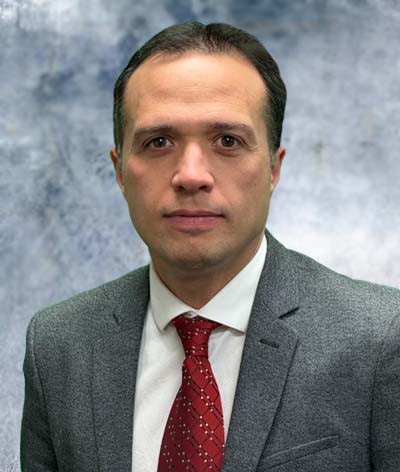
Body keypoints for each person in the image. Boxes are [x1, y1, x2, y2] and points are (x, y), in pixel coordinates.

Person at [20, 21, 400, 472]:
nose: (191, 175)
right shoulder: (59, 346)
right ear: (120, 171)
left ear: (273, 169)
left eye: (227, 141)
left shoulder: (381, 339)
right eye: (159, 142)